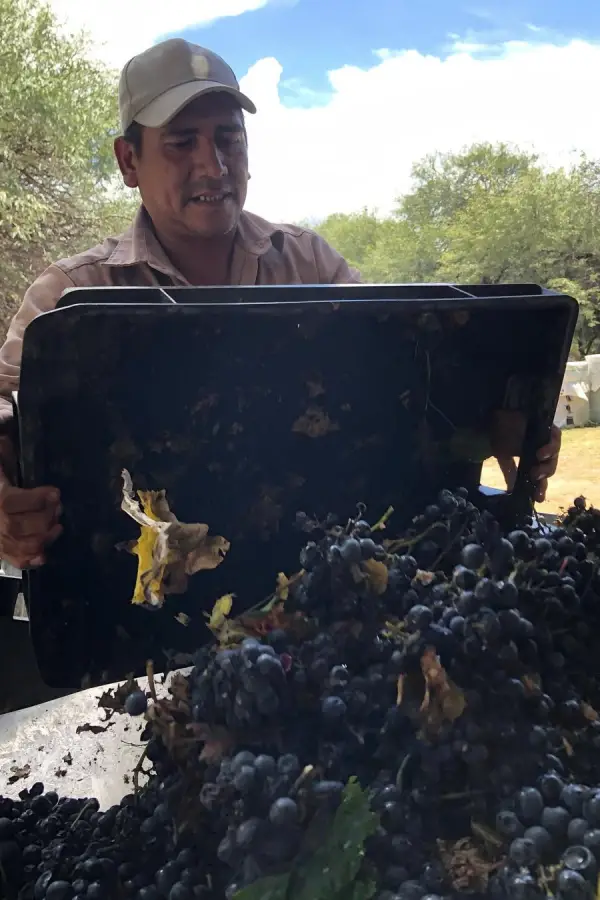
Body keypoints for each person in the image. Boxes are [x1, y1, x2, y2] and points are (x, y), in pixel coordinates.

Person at [0, 39, 560, 572]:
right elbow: (6, 406)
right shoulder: (72, 296)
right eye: (181, 142)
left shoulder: (310, 265)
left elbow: (405, 365)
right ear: (128, 162)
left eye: (228, 138)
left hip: (309, 589)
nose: (213, 164)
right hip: (140, 601)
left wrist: (493, 419)